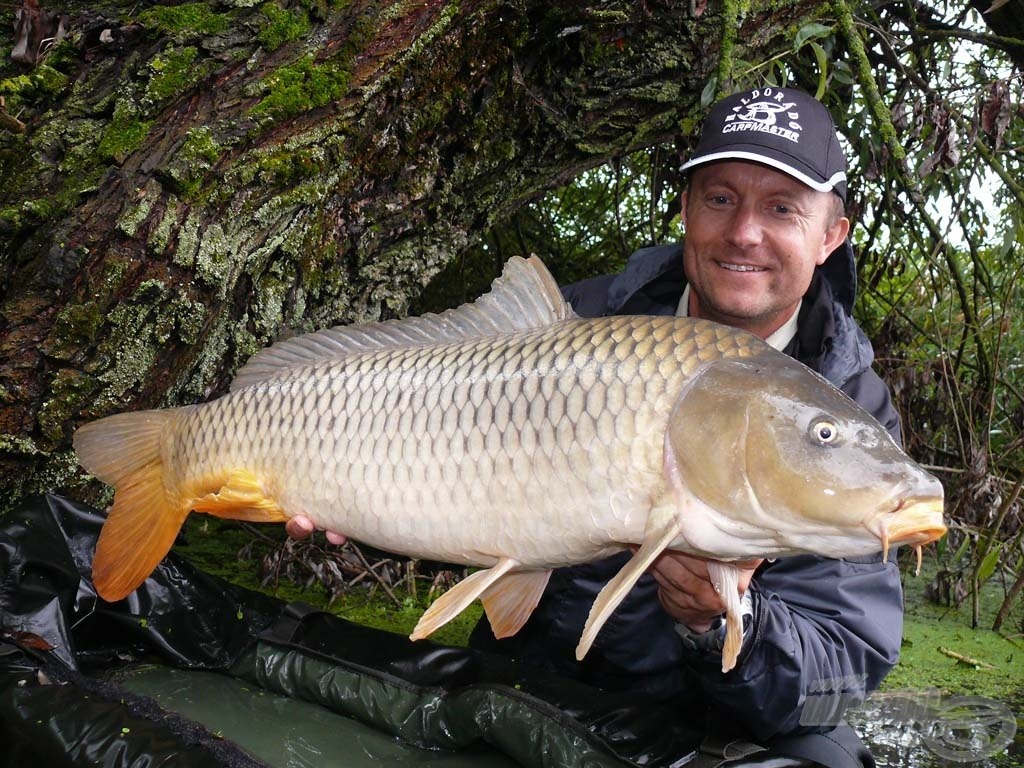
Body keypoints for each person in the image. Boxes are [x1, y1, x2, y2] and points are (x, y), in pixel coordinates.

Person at [286, 86, 903, 766]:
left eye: (782, 208)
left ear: (830, 236)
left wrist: (720, 623)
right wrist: (347, 492)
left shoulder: (846, 413)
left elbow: (839, 665)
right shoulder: (581, 322)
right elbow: (440, 467)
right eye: (720, 198)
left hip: (715, 722)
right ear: (687, 210)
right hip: (543, 680)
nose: (745, 232)